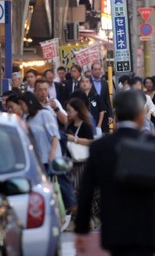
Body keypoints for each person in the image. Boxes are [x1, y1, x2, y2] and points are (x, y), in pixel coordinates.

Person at [75, 90, 155, 255]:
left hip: (114, 225)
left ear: (115, 115)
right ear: (139, 114)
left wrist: (81, 230)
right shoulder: (151, 143)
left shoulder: (100, 147)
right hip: (144, 227)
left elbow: (86, 191)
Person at [65, 98, 96, 230]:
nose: (68, 113)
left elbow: (91, 142)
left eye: (69, 110)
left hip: (82, 163)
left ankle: (84, 219)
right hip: (71, 163)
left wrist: (75, 139)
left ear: (77, 111)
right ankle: (76, 219)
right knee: (73, 192)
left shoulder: (86, 125)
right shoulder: (69, 126)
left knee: (79, 191)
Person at [90, 63, 113, 134]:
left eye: (99, 69)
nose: (97, 71)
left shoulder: (104, 83)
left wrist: (110, 115)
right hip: (92, 112)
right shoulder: (87, 82)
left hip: (103, 113)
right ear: (92, 71)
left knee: (104, 134)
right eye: (95, 69)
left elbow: (107, 99)